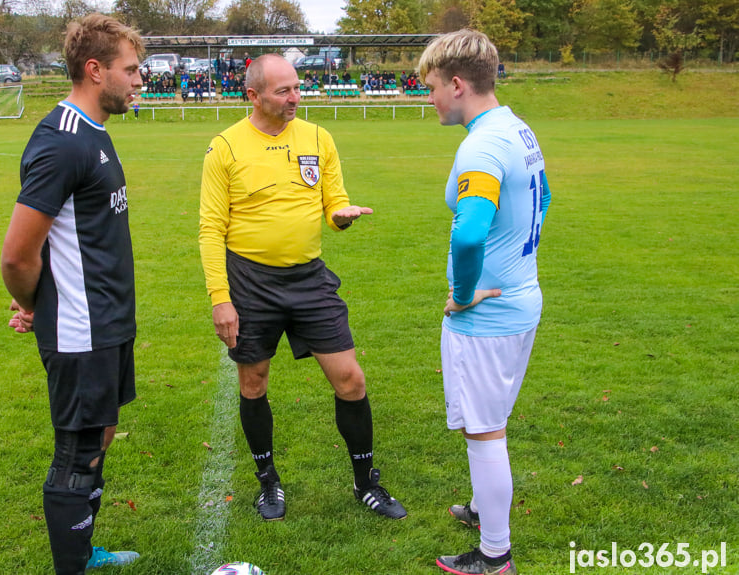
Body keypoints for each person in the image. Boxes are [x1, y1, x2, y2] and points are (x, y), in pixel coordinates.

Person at [199, 54, 407, 522]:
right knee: (254, 382)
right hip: (250, 283)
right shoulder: (226, 148)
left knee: (350, 379)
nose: (296, 97)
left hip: (309, 278)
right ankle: (268, 481)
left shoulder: (318, 137)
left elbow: (333, 198)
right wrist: (221, 299)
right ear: (252, 95)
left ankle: (365, 482)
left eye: (297, 88)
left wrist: (340, 215)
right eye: (284, 91)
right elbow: (211, 229)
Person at [0, 13, 144, 575]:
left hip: (105, 321)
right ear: (94, 70)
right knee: (77, 451)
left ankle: (84, 551)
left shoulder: (94, 133)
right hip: (81, 327)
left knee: (99, 434)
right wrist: (36, 305)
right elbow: (17, 253)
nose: (139, 80)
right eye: (130, 70)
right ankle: (72, 567)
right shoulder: (62, 142)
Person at [418, 30, 551, 575]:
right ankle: (480, 507)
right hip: (520, 297)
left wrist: (467, 291)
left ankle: (495, 555)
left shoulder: (482, 144)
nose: (429, 99)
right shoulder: (516, 129)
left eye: (430, 88)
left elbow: (469, 232)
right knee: (488, 420)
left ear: (456, 84)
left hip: (490, 315)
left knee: (484, 430)